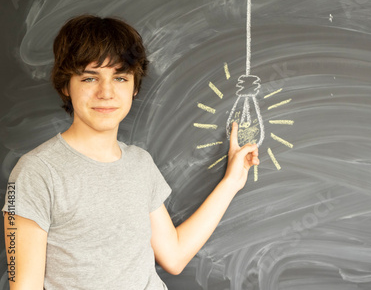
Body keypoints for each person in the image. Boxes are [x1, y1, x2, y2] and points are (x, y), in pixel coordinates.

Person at [2, 15, 259, 290]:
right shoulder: (33, 173)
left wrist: (232, 182)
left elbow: (174, 255)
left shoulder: (140, 163)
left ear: (134, 88)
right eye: (90, 78)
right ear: (66, 85)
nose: (106, 92)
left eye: (120, 77)